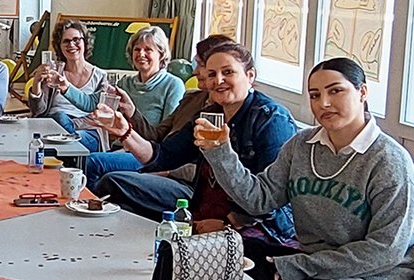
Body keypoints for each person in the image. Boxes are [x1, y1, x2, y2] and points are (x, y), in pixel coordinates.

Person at [195, 57, 414, 280]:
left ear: (362, 92)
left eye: (336, 91)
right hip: (313, 265)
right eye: (314, 95)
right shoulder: (302, 145)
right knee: (221, 260)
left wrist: (299, 266)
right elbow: (258, 199)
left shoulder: (389, 161)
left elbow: (386, 250)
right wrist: (220, 152)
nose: (323, 103)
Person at [97, 43, 296, 242]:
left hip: (260, 230)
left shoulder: (271, 119)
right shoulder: (209, 116)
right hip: (202, 217)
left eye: (228, 72)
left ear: (250, 76)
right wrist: (125, 132)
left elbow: (271, 198)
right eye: (211, 74)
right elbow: (163, 156)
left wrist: (229, 223)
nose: (218, 80)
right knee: (123, 214)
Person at [79, 34, 234, 187]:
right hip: (152, 155)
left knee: (101, 170)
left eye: (148, 50)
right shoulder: (192, 99)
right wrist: (131, 113)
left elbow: (204, 167)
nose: (194, 72)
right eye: (137, 49)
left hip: (172, 172)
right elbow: (159, 137)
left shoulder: (177, 87)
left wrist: (164, 171)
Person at [62, 25, 185, 128]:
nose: (141, 54)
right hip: (118, 144)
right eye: (137, 49)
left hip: (147, 152)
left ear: (161, 54)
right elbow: (91, 103)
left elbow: (167, 132)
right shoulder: (124, 84)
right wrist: (64, 86)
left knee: (91, 157)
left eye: (148, 50)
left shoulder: (173, 85)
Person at [28, 20, 106, 133]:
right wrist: (37, 83)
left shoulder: (100, 77)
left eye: (76, 40)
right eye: (66, 41)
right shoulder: (53, 72)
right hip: (54, 126)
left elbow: (102, 114)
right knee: (59, 117)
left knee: (63, 123)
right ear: (59, 47)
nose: (71, 45)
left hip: (86, 130)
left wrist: (72, 125)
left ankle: (69, 138)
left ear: (85, 42)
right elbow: (38, 111)